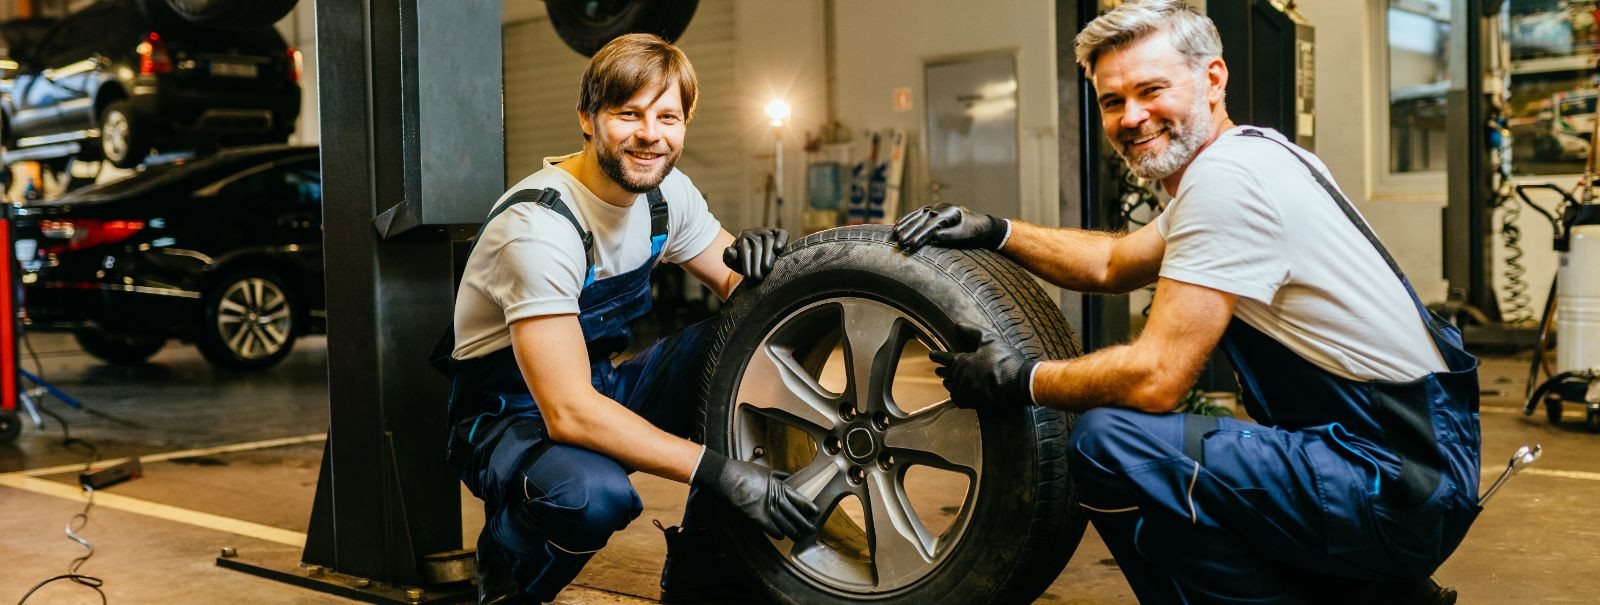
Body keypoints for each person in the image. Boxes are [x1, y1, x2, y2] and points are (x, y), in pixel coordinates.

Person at [892, 1, 1477, 603]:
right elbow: (1111, 262)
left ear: (1213, 79)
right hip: (1403, 461)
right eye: (1112, 101)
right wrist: (996, 231)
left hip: (1389, 480)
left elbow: (1156, 380)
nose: (1131, 117)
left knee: (1111, 444)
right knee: (1184, 453)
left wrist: (1020, 379)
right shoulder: (1253, 155)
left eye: (1152, 90)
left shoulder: (1228, 182)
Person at [444, 34, 816, 604]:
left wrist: (764, 266)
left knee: (753, 340)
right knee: (592, 498)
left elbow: (743, 293)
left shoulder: (666, 197)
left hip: (597, 386)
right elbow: (567, 412)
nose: (650, 134)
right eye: (628, 114)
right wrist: (719, 472)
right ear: (587, 118)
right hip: (507, 416)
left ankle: (705, 568)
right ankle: (508, 563)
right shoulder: (538, 228)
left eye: (667, 117)